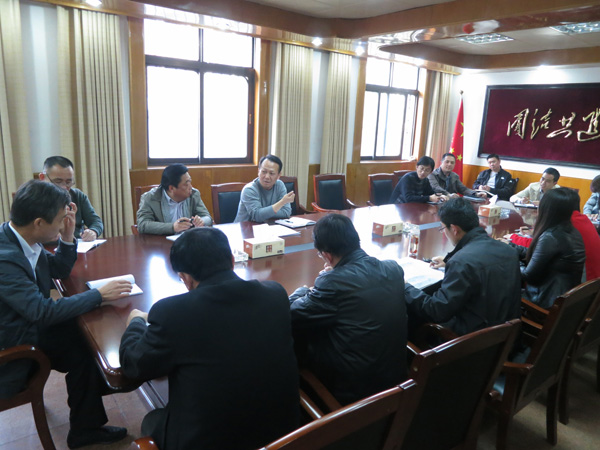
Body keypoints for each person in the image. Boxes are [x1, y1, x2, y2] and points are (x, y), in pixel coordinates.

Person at [119, 227, 299, 450]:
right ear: (232, 260)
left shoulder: (173, 313)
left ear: (185, 278)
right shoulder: (275, 294)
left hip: (208, 442)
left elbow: (134, 365)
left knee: (152, 419)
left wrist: (136, 322)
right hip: (284, 436)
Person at [0, 180, 132, 449]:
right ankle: (89, 422)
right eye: (61, 220)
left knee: (86, 337)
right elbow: (41, 311)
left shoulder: (20, 236)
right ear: (39, 222)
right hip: (12, 348)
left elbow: (57, 270)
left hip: (24, 325)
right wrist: (98, 295)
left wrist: (68, 238)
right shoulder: (6, 258)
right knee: (85, 343)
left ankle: (87, 421)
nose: (63, 225)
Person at [289, 214, 407, 406]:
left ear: (327, 255)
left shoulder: (332, 283)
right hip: (396, 382)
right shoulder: (393, 269)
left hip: (353, 394)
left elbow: (293, 312)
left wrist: (304, 290)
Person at [404, 197, 521, 336]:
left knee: (411, 318)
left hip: (472, 340)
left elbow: (437, 311)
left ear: (454, 229)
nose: (444, 232)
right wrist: (450, 261)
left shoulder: (461, 262)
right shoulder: (509, 251)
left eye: (443, 228)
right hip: (507, 334)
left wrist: (406, 287)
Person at [511, 188, 585, 309]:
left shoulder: (551, 236)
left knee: (496, 289)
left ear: (547, 209)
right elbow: (538, 255)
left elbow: (528, 276)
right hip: (564, 301)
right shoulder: (571, 231)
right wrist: (511, 247)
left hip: (543, 304)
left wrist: (512, 260)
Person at [39, 156, 103, 241]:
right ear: (42, 178)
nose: (64, 187)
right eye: (58, 182)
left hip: (76, 243)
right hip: (44, 247)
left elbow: (95, 221)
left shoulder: (77, 195)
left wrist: (93, 231)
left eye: (68, 182)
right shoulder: (33, 198)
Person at [137, 163, 212, 234]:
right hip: (162, 241)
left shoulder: (194, 194)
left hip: (188, 240)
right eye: (186, 184)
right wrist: (172, 227)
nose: (190, 187)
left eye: (190, 182)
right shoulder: (150, 198)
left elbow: (208, 218)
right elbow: (142, 224)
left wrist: (202, 221)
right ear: (171, 188)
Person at [234, 155, 295, 222]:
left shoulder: (279, 185)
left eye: (271, 173)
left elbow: (286, 213)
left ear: (278, 175)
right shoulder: (249, 189)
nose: (267, 177)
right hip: (245, 227)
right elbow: (257, 216)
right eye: (264, 172)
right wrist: (282, 202)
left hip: (267, 226)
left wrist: (264, 213)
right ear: (258, 171)